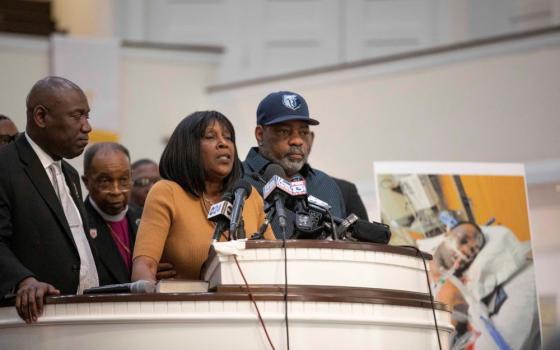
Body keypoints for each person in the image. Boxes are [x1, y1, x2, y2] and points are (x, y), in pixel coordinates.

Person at [0, 76, 104, 323]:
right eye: (77, 116)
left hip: (80, 315)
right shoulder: (5, 166)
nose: (87, 126)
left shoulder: (69, 173)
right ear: (41, 117)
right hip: (31, 320)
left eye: (87, 116)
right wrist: (23, 280)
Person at [131, 111, 274, 283]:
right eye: (210, 137)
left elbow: (274, 262)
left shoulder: (248, 195)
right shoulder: (167, 192)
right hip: (185, 307)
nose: (223, 143)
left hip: (247, 306)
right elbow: (144, 267)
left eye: (228, 137)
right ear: (188, 147)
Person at [243, 91, 346, 238]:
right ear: (260, 134)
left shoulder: (326, 185)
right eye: (285, 131)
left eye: (303, 132)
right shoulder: (237, 179)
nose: (297, 141)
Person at [434, 222, 541, 350]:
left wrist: (446, 312)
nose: (465, 247)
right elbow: (474, 316)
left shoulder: (524, 289)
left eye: (464, 240)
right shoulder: (481, 291)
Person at [81, 142, 142, 284]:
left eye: (123, 180)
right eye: (105, 181)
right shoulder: (78, 223)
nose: (116, 191)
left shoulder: (146, 218)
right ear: (86, 181)